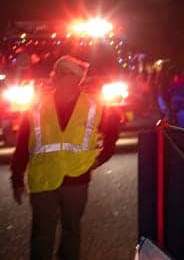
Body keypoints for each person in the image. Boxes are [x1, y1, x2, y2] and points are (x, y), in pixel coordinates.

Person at [10, 55, 120, 260]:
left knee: (72, 231)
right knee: (42, 234)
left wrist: (101, 158)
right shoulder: (37, 106)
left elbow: (113, 132)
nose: (58, 76)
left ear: (77, 78)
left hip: (77, 177)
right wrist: (16, 177)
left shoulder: (94, 105)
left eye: (64, 72)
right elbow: (23, 143)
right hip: (43, 178)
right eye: (57, 71)